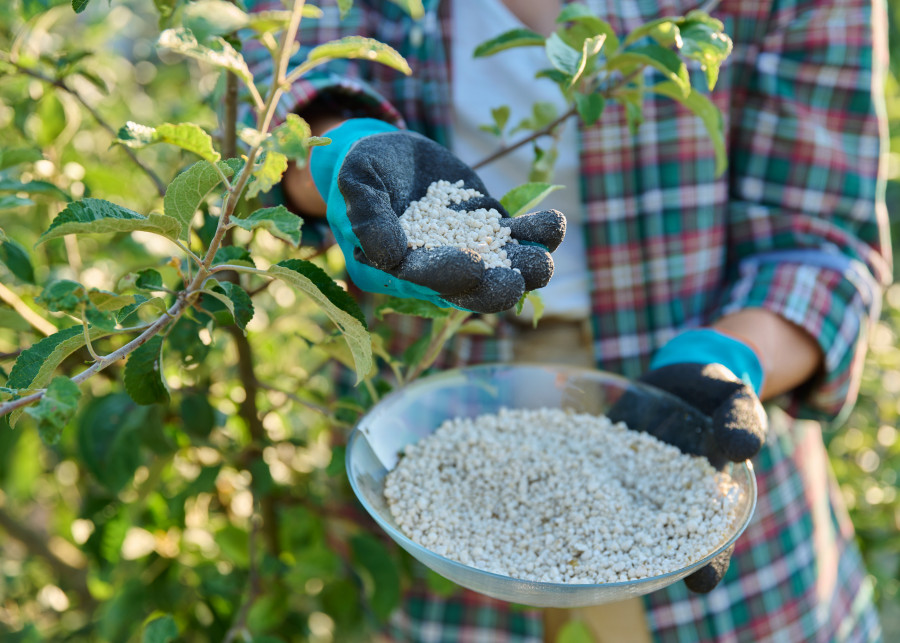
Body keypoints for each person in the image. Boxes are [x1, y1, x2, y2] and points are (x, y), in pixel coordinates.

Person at [243, 0, 891, 640]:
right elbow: (290, 72)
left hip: (685, 419)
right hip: (428, 418)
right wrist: (338, 155)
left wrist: (731, 357)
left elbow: (821, 242)